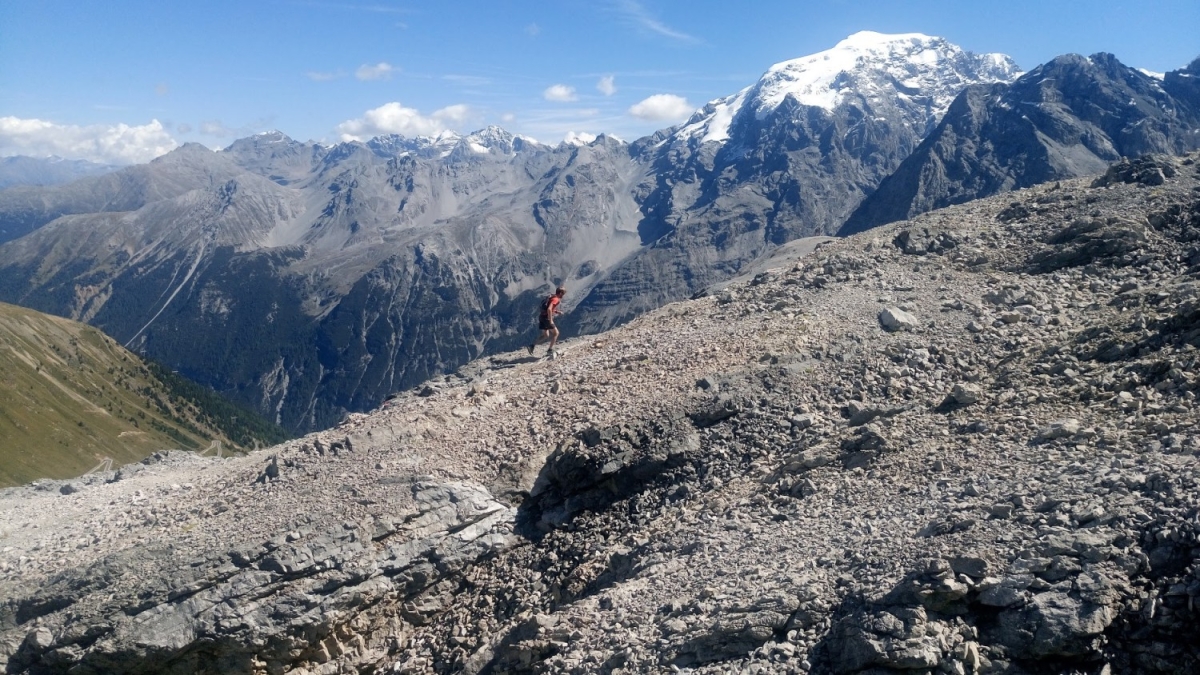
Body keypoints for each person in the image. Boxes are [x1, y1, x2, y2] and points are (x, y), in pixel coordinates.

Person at [528, 286, 566, 357]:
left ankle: (532, 346)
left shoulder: (552, 297)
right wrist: (550, 319)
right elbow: (549, 309)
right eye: (563, 294)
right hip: (546, 318)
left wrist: (557, 312)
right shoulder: (556, 299)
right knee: (556, 333)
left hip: (542, 317)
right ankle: (550, 350)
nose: (563, 296)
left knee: (546, 335)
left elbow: (548, 308)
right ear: (560, 293)